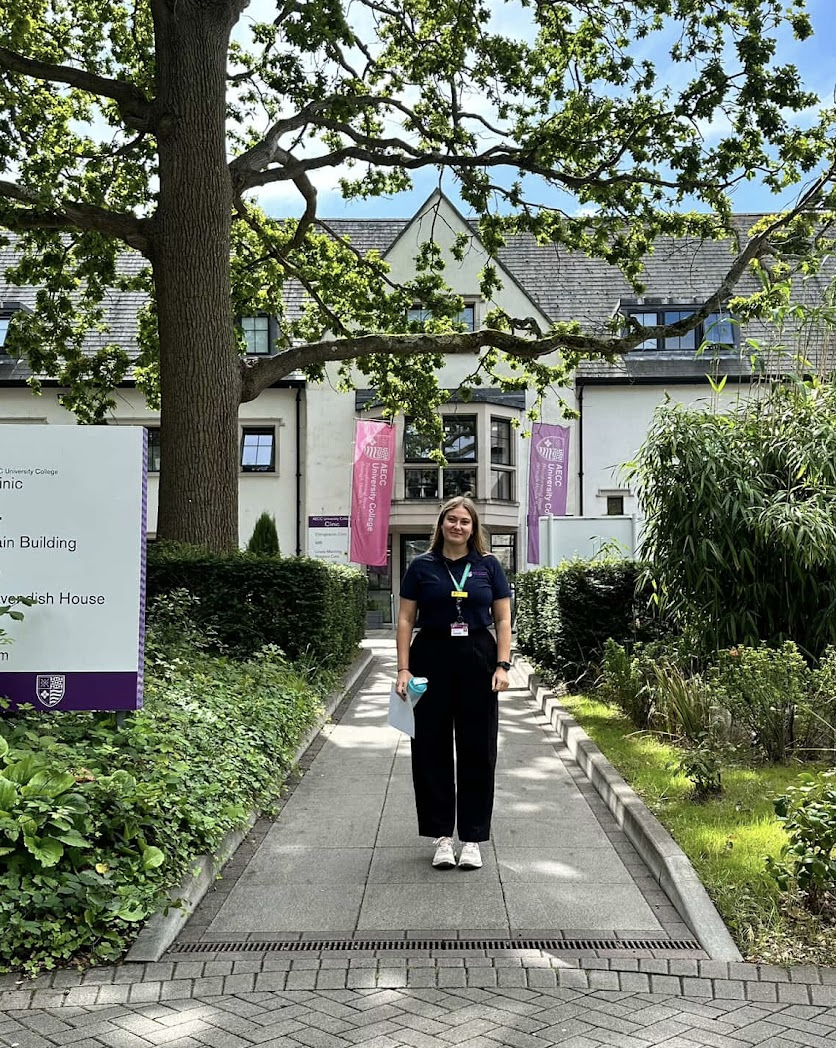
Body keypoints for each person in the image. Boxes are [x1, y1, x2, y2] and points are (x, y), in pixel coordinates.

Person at [396, 495, 512, 871]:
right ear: (441, 525)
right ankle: (442, 836)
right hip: (430, 658)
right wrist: (403, 669)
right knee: (430, 748)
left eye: (464, 521)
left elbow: (503, 620)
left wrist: (503, 665)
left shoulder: (489, 566)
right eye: (451, 520)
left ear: (473, 528)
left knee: (478, 749)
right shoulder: (421, 566)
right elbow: (405, 620)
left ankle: (473, 838)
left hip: (478, 658)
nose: (457, 526)